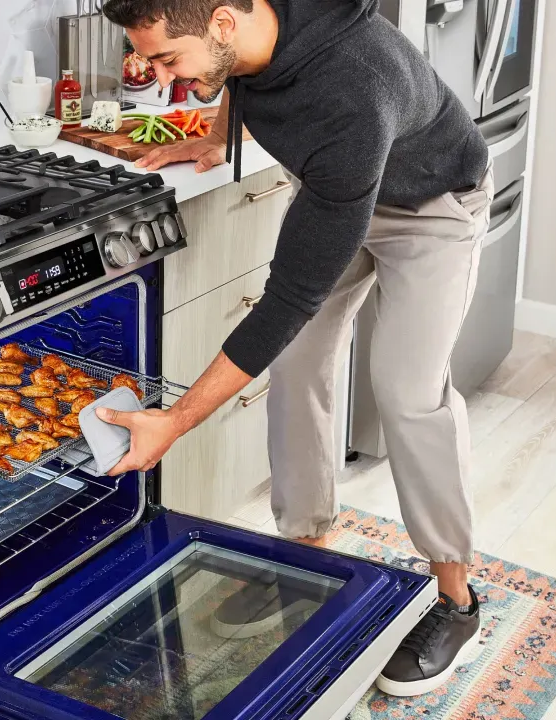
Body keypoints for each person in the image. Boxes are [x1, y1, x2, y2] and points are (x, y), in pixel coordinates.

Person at [97, 0, 494, 697]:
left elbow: (287, 300)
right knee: (300, 364)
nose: (159, 79)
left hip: (431, 207)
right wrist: (216, 141)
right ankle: (307, 559)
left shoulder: (350, 93)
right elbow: (244, 77)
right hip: (338, 191)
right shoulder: (249, 31)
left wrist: (177, 420)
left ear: (221, 21)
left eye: (166, 60)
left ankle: (458, 600)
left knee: (407, 392)